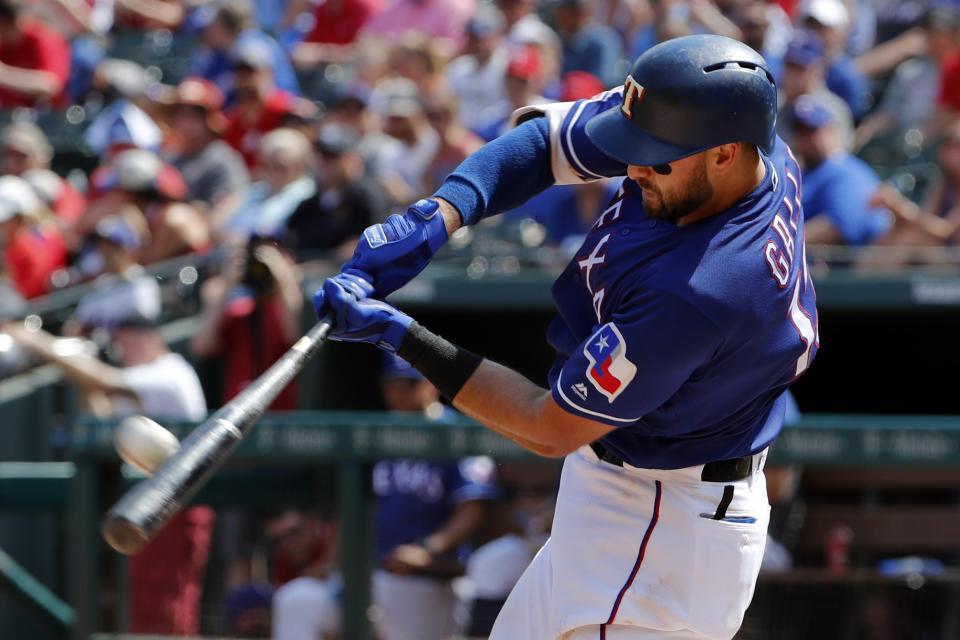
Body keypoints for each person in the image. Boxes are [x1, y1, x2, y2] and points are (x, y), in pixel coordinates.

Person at [313, 34, 819, 639]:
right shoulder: (740, 141)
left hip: (665, 528)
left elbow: (546, 424)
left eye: (655, 158)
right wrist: (441, 213)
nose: (633, 169)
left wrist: (402, 337)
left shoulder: (704, 288)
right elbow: (546, 141)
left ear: (724, 154)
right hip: (629, 487)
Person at [370, 353, 498, 640]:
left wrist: (429, 548)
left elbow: (473, 508)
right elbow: (354, 505)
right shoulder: (378, 430)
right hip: (375, 569)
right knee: (302, 599)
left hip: (432, 574)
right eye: (393, 384)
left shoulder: (458, 433)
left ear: (432, 385)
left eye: (409, 384)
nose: (400, 392)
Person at [789, 94, 891, 246]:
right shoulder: (802, 171)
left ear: (831, 131)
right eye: (799, 132)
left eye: (811, 131)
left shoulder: (846, 171)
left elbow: (837, 226)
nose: (804, 140)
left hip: (845, 266)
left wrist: (785, 245)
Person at [282, 123, 388, 258]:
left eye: (332, 156)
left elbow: (368, 245)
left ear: (352, 159)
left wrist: (314, 266)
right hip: (307, 274)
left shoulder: (367, 196)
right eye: (321, 155)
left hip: (350, 276)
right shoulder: (310, 203)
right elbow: (290, 238)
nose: (324, 163)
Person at [167, 77, 250, 224]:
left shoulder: (225, 160)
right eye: (180, 113)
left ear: (209, 119)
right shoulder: (170, 156)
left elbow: (222, 214)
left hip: (203, 238)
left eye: (193, 114)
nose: (185, 121)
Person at [0, 0, 71, 109]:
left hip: (50, 118)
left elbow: (51, 85)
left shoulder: (44, 38)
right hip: (10, 115)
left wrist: (5, 75)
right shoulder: (5, 45)